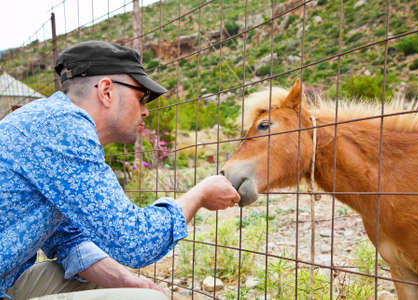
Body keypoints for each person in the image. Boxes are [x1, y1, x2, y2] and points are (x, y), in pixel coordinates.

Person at [0, 40, 241, 300]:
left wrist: (129, 281)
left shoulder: (50, 123)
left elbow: (67, 238)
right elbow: (134, 241)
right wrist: (199, 195)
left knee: (123, 289)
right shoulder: (62, 126)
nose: (146, 111)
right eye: (141, 97)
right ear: (106, 91)